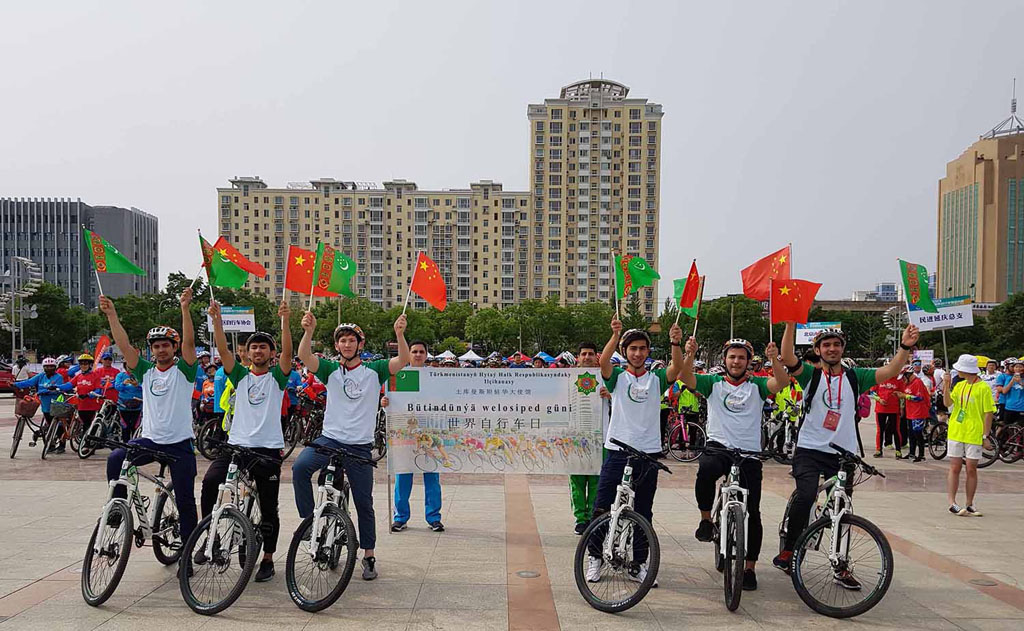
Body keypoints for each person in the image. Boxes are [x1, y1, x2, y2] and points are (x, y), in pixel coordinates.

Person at [773, 321, 919, 581]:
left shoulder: (856, 376)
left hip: (843, 455)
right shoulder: (811, 375)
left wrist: (906, 345)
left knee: (841, 510)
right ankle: (790, 550)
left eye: (836, 345)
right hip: (810, 449)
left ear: (842, 349)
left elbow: (892, 369)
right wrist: (790, 324)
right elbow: (786, 356)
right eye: (826, 345)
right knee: (805, 496)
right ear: (817, 350)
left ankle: (840, 564)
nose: (832, 349)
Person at [292, 312, 411, 581]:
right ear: (337, 346)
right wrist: (308, 332)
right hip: (329, 440)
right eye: (342, 340)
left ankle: (368, 555)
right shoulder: (330, 369)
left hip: (359, 446)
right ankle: (310, 523)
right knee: (299, 467)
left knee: (363, 503)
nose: (347, 344)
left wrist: (400, 334)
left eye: (351, 340)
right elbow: (305, 356)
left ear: (360, 344)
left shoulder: (375, 370)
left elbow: (402, 360)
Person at [98, 288, 200, 564]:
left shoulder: (185, 369)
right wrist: (112, 314)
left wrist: (185, 309)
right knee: (117, 458)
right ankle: (118, 509)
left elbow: (190, 343)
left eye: (165, 344)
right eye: (155, 346)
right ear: (151, 350)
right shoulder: (145, 371)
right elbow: (123, 344)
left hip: (180, 445)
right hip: (151, 441)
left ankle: (188, 556)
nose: (160, 349)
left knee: (186, 502)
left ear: (174, 347)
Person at [684, 336, 787, 591]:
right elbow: (686, 378)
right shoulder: (713, 383)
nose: (736, 361)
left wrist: (774, 358)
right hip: (719, 448)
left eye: (742, 357)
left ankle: (749, 568)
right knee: (706, 470)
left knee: (753, 511)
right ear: (725, 359)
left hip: (749, 453)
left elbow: (782, 382)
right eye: (732, 356)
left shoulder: (758, 386)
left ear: (749, 362)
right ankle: (706, 519)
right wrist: (689, 354)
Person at [584, 317, 682, 586]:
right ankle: (594, 557)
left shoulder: (657, 379)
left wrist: (675, 342)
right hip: (617, 450)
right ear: (625, 352)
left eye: (642, 348)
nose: (637, 353)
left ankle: (638, 564)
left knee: (643, 513)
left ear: (648, 352)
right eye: (632, 349)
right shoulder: (617, 377)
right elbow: (602, 364)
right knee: (602, 508)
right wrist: (614, 335)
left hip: (648, 455)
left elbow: (677, 369)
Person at [200, 300, 292, 582]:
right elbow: (224, 350)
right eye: (254, 346)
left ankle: (267, 559)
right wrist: (216, 321)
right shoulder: (239, 375)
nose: (258, 350)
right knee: (209, 483)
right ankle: (210, 536)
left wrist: (285, 321)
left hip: (267, 451)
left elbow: (289, 352)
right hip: (236, 447)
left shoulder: (278, 377)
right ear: (248, 352)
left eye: (264, 346)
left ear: (271, 353)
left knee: (268, 507)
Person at [388, 340, 445, 533]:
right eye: (414, 351)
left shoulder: (435, 378)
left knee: (432, 478)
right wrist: (385, 401)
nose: (418, 355)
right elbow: (391, 400)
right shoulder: (399, 375)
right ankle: (400, 518)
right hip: (406, 436)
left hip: (429, 434)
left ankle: (434, 518)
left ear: (427, 354)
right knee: (403, 477)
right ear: (409, 354)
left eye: (421, 351)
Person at [944, 354, 995, 516]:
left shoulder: (983, 388)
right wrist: (946, 386)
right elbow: (948, 404)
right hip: (956, 431)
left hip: (974, 433)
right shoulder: (959, 385)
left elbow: (988, 413)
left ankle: (969, 503)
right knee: (955, 467)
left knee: (971, 468)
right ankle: (952, 502)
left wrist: (985, 436)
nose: (957, 370)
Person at [569, 342, 603, 535]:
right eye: (584, 354)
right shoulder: (567, 378)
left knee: (597, 479)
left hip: (599, 438)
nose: (587, 357)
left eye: (591, 354)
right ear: (578, 357)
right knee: (577, 481)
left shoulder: (605, 377)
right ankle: (580, 519)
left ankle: (593, 517)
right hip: (575, 438)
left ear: (597, 356)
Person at [57, 354, 105, 454]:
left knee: (89, 426)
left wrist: (89, 395)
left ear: (90, 365)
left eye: (86, 363)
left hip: (92, 406)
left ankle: (88, 445)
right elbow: (68, 385)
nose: (83, 365)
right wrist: (56, 387)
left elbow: (99, 390)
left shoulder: (95, 376)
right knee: (84, 426)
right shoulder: (78, 376)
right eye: (81, 363)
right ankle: (86, 444)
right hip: (81, 406)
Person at [14, 357, 65, 447]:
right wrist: (15, 384)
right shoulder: (41, 376)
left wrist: (45, 391)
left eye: (51, 367)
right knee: (49, 424)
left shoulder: (58, 377)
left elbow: (58, 388)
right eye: (46, 367)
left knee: (58, 426)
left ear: (55, 367)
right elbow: (29, 382)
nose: (49, 369)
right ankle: (50, 443)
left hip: (55, 404)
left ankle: (62, 444)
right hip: (45, 405)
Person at [900, 366, 931, 462]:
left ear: (908, 375)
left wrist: (905, 396)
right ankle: (911, 453)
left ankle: (921, 454)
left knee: (918, 433)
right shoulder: (907, 383)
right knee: (911, 433)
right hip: (910, 411)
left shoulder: (917, 382)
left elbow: (919, 398)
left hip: (919, 411)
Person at [871, 374, 904, 459]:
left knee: (896, 430)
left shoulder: (898, 380)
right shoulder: (880, 379)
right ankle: (879, 450)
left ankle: (898, 450)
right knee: (880, 430)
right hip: (880, 409)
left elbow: (902, 395)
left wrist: (901, 407)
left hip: (894, 409)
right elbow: (872, 392)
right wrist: (879, 399)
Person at [113, 370, 143, 442]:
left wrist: (137, 385)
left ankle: (135, 445)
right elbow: (117, 387)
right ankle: (126, 445)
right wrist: (123, 383)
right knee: (125, 427)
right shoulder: (120, 375)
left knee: (135, 427)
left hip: (137, 406)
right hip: (123, 406)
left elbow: (146, 387)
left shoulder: (141, 374)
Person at [995, 359, 1024, 427]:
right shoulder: (1008, 378)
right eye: (1016, 367)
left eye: (1020, 367)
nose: (1018, 369)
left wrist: (1020, 382)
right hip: (1009, 407)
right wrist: (1012, 380)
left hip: (1022, 407)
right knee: (1006, 427)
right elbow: (1004, 391)